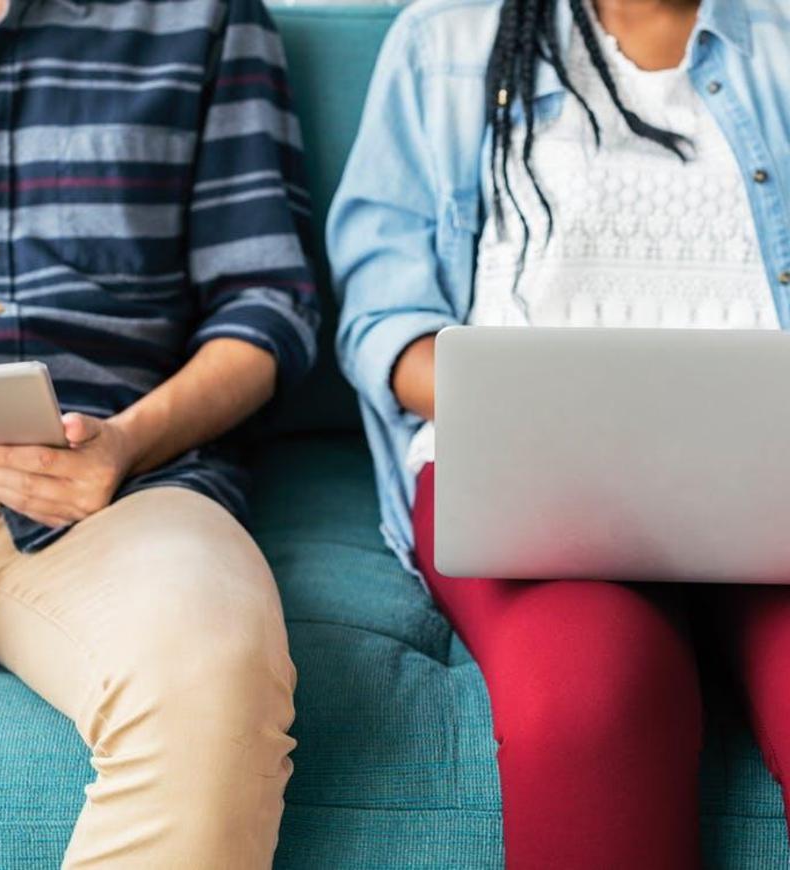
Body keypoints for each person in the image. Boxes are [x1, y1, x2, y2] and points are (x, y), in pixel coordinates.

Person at [328, 0, 790, 866]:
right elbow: (384, 322)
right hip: (535, 488)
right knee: (586, 702)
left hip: (775, 482)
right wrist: (518, 408)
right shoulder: (443, 43)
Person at [0, 0, 316, 866]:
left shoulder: (205, 16)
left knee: (208, 673)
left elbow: (268, 306)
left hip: (119, 486)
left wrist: (127, 443)